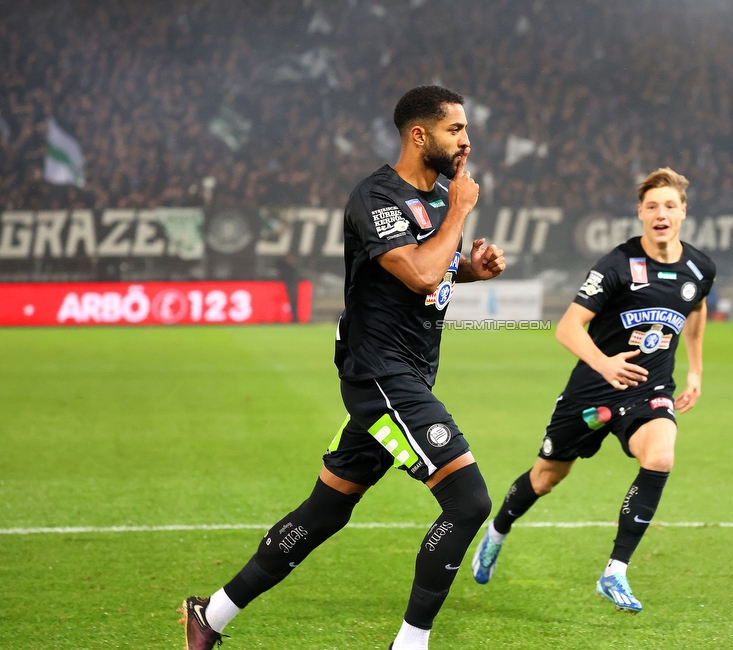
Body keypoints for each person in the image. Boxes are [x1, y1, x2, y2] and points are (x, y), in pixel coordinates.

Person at [179, 85, 506, 650]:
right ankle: (410, 644)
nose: (467, 141)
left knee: (326, 510)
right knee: (469, 499)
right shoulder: (376, 196)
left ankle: (211, 616)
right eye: (456, 129)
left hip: (407, 374)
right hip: (380, 375)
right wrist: (459, 211)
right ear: (419, 134)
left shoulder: (435, 201)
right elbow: (420, 275)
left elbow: (439, 269)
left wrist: (471, 268)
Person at [471, 168, 715, 613]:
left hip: (649, 388)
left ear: (683, 212)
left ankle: (615, 571)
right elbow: (568, 327)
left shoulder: (700, 268)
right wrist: (604, 363)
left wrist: (695, 371)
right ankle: (498, 530)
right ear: (640, 213)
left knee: (660, 455)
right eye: (652, 206)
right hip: (592, 389)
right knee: (546, 478)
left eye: (670, 206)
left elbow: (696, 312)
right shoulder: (618, 264)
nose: (661, 214)